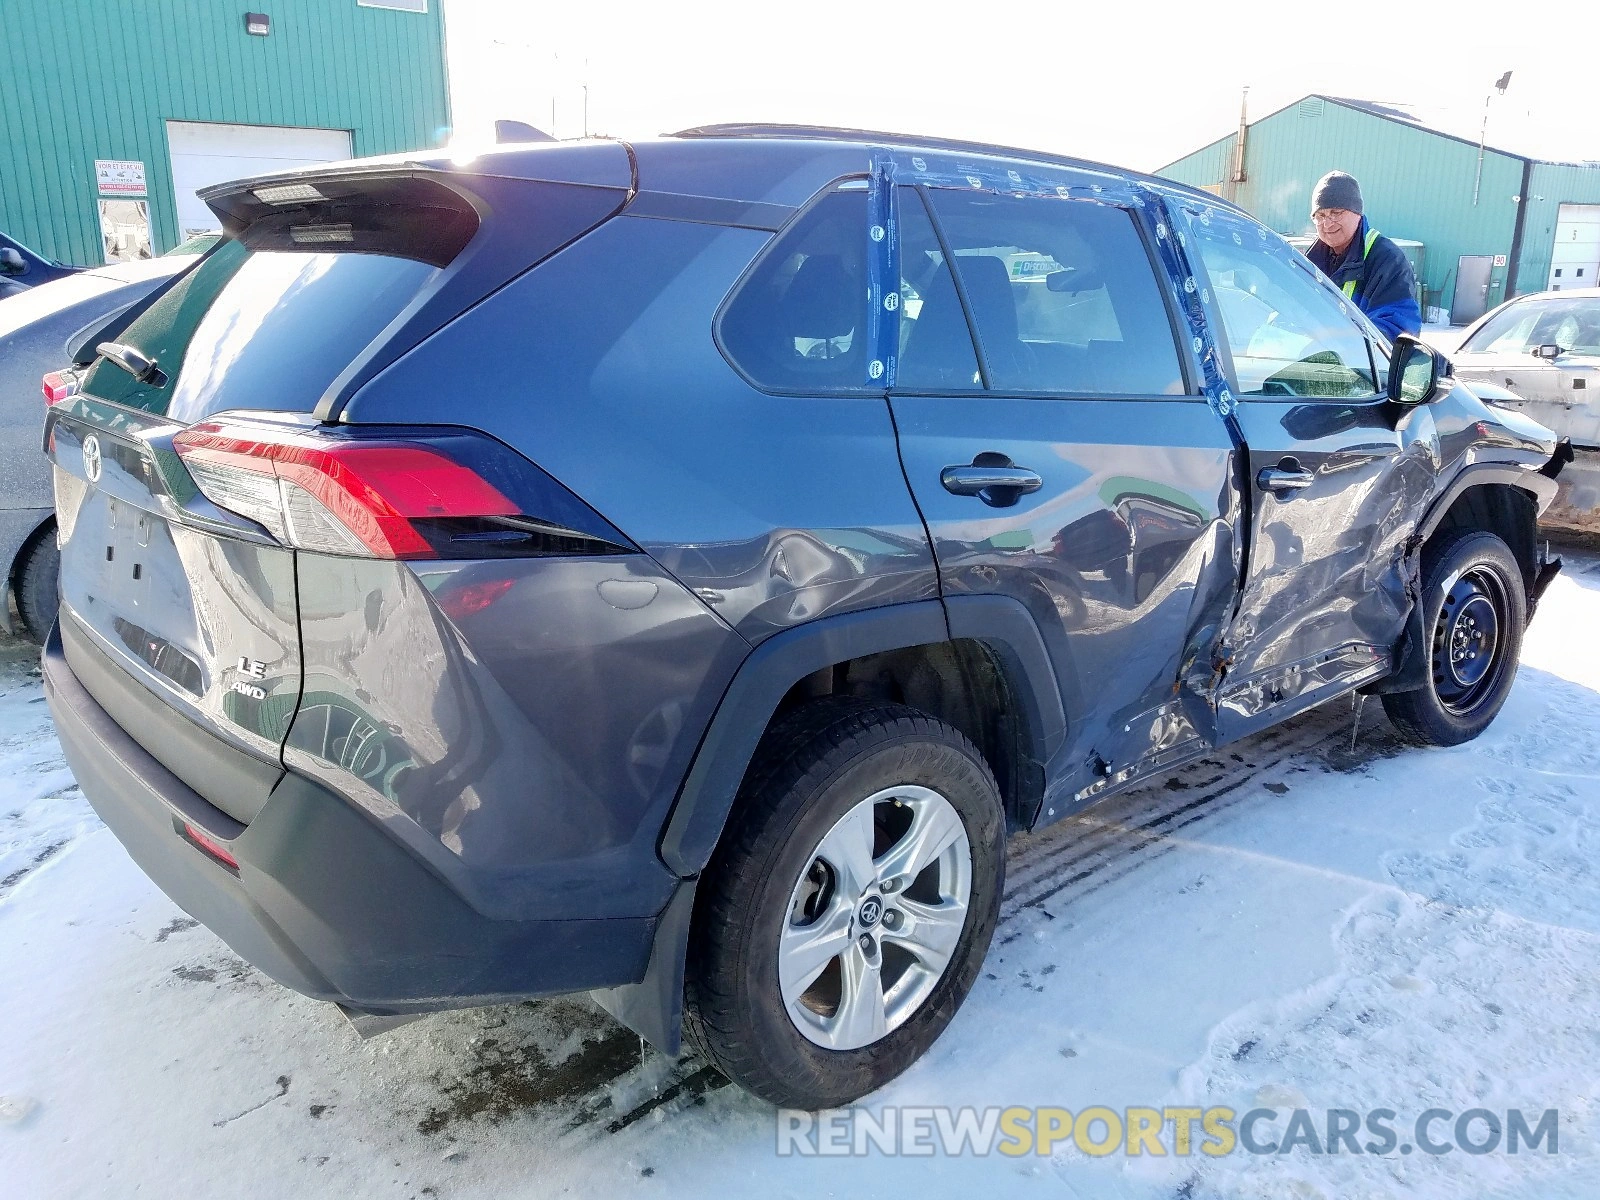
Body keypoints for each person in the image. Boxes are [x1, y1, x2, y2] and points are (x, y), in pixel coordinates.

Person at [1304, 171, 1421, 341]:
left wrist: (1331, 339)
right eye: (1320, 216)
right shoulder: (1309, 263)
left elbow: (1397, 331)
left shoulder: (1389, 261)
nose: (1327, 224)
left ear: (1357, 213)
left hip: (1361, 367)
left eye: (1336, 213)